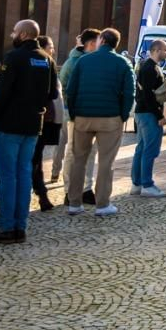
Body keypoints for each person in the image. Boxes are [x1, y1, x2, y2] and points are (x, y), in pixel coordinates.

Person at [0, 19, 57, 244]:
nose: (12, 35)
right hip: (33, 125)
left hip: (10, 124)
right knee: (24, 175)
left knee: (6, 177)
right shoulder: (47, 59)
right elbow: (52, 94)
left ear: (22, 34)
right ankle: (20, 227)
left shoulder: (14, 58)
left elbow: (1, 94)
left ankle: (6, 227)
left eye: (14, 31)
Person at [63, 27, 134, 216]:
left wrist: (73, 114)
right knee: (106, 162)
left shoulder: (84, 61)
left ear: (101, 40)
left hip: (83, 117)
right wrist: (123, 116)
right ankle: (102, 205)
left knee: (79, 160)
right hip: (110, 119)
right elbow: (129, 93)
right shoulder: (123, 63)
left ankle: (74, 203)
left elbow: (71, 90)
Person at [56, 28, 100, 184]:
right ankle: (69, 188)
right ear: (92, 43)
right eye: (100, 42)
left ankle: (86, 187)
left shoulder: (95, 61)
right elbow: (64, 88)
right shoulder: (72, 63)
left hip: (93, 114)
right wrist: (74, 109)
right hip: (76, 114)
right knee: (73, 151)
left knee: (91, 151)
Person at [131, 39, 166, 196]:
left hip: (143, 113)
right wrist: (159, 115)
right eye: (165, 50)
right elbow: (148, 95)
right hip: (149, 114)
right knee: (149, 149)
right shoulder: (150, 68)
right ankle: (147, 184)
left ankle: (137, 184)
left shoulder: (147, 66)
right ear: (156, 50)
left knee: (141, 148)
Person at [31, 35, 63, 212]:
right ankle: (41, 193)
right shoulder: (43, 67)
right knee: (34, 160)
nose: (53, 49)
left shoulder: (48, 65)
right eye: (50, 46)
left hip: (47, 121)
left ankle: (41, 193)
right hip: (41, 120)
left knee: (36, 158)